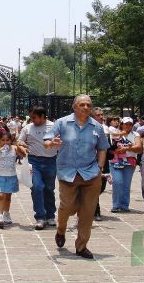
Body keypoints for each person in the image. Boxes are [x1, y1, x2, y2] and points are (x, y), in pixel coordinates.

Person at [43, 95, 109, 259]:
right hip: (68, 173)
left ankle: (81, 246)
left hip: (91, 174)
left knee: (87, 212)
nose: (86, 108)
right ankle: (61, 229)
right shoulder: (62, 123)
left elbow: (102, 148)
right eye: (82, 105)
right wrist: (51, 144)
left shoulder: (97, 127)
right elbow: (47, 140)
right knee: (67, 207)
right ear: (74, 107)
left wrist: (100, 167)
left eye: (88, 105)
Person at [17, 106, 56, 230]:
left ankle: (50, 215)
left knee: (49, 188)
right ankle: (40, 217)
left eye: (34, 117)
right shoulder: (27, 128)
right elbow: (19, 142)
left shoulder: (54, 127)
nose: (32, 119)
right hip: (34, 162)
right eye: (31, 117)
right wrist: (22, 146)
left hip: (51, 161)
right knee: (37, 187)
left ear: (43, 116)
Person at [0, 131, 26, 229]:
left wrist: (19, 145)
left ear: (11, 140)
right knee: (1, 196)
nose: (5, 142)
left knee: (8, 197)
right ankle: (0, 215)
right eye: (3, 140)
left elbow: (24, 154)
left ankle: (6, 213)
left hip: (11, 176)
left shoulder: (13, 148)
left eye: (7, 140)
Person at [109, 117, 142, 213]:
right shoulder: (116, 133)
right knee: (117, 182)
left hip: (129, 161)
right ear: (122, 124)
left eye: (130, 124)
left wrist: (127, 149)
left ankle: (124, 205)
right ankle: (116, 205)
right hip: (116, 160)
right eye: (126, 124)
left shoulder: (135, 134)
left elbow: (139, 147)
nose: (128, 126)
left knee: (126, 184)